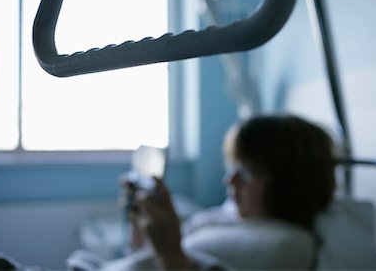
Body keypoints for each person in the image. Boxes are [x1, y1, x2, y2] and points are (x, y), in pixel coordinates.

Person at [115, 114, 337, 271]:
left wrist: (169, 251)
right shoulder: (229, 219)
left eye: (248, 172)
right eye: (233, 168)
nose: (229, 180)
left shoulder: (287, 247)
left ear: (290, 182)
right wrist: (141, 226)